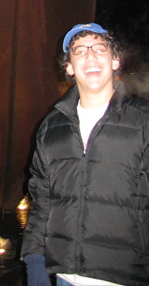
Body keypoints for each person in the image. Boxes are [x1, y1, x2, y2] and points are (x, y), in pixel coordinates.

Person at [21, 22, 149, 286]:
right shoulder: (51, 128)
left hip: (126, 277)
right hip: (65, 276)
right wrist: (35, 263)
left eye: (100, 48)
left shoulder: (143, 121)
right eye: (79, 51)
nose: (90, 56)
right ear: (68, 67)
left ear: (115, 61)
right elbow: (42, 203)